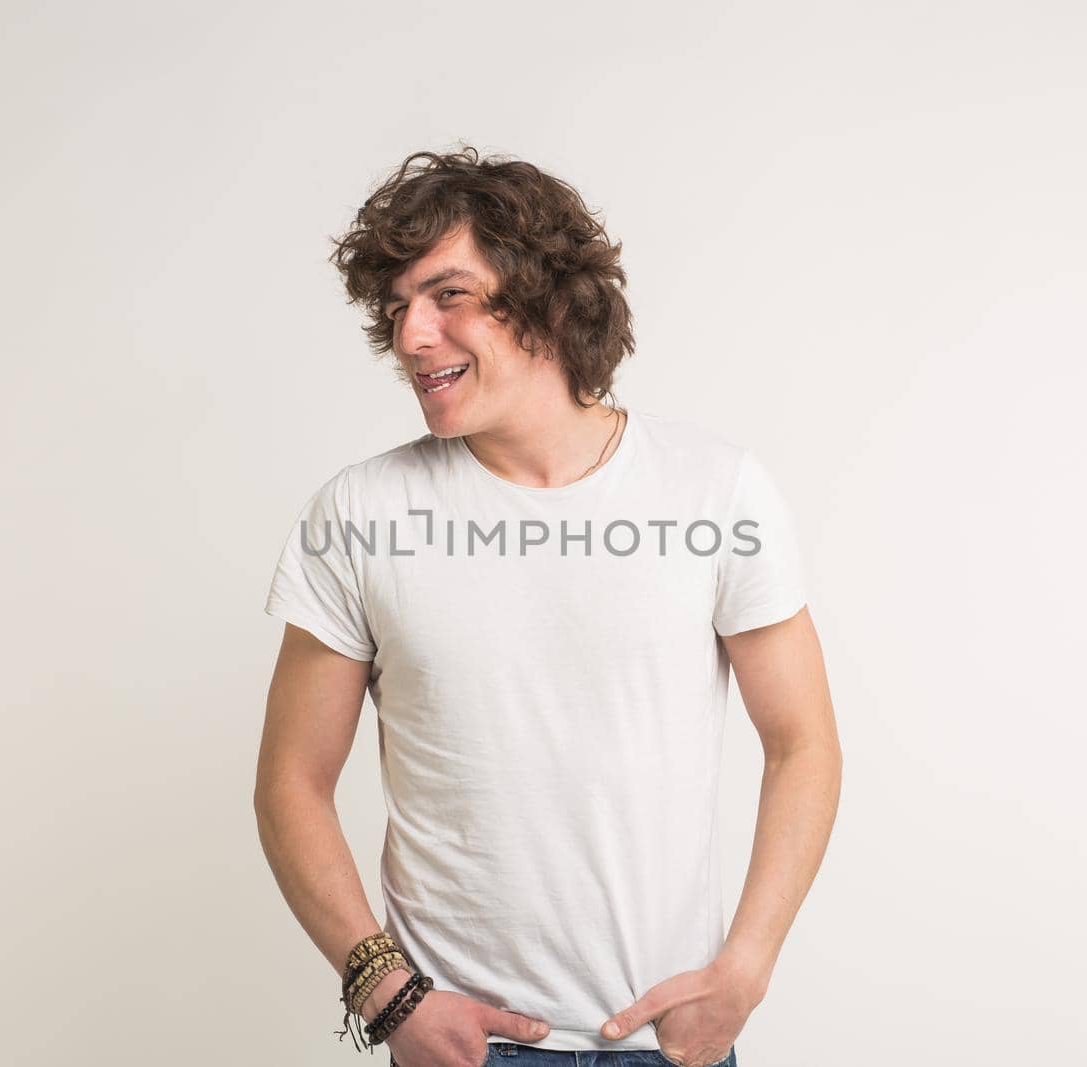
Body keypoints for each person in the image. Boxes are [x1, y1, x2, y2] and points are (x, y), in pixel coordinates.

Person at [253, 147, 841, 1067]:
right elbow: (291, 781)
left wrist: (748, 966)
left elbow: (803, 740)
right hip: (467, 1048)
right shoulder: (360, 514)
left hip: (673, 1039)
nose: (411, 335)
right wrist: (389, 994)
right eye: (399, 306)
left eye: (447, 295)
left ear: (547, 299)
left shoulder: (714, 489)